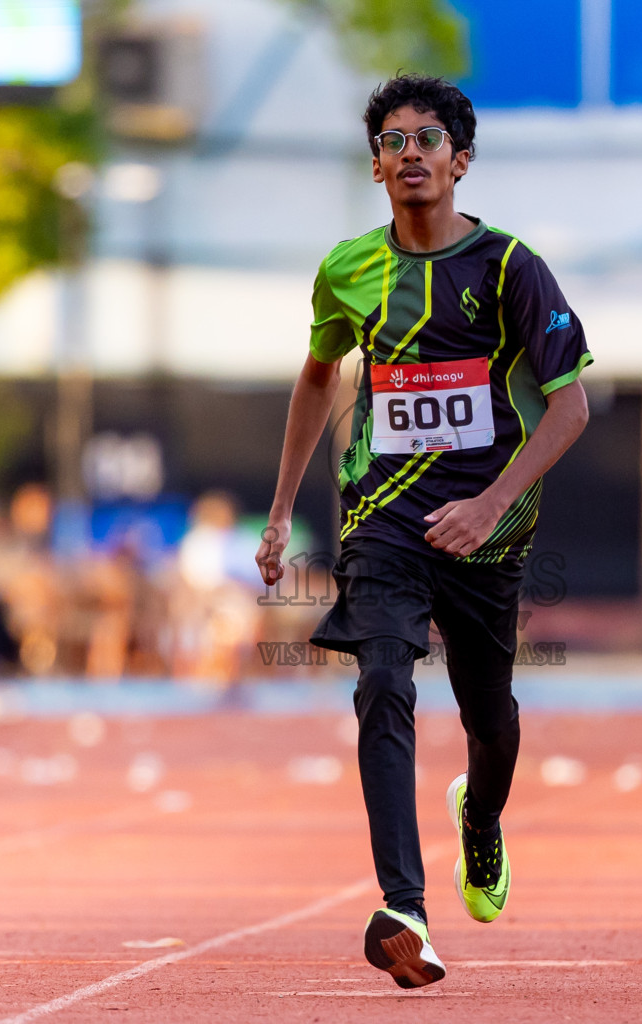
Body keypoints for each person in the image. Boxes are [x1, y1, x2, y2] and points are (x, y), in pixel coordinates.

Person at [255, 74, 592, 989]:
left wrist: (489, 505)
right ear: (375, 165)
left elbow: (570, 410)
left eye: (429, 139)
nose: (412, 153)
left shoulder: (512, 268)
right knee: (383, 680)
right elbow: (320, 377)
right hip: (383, 522)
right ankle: (404, 904)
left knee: (491, 718)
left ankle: (479, 821)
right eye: (395, 141)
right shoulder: (348, 269)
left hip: (489, 527)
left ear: (460, 160)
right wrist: (284, 508)